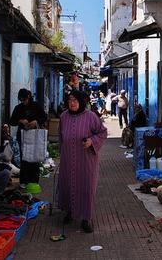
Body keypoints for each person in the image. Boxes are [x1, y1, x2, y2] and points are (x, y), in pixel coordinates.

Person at [58, 90, 108, 233]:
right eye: (69, 100)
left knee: (86, 187)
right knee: (67, 185)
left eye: (75, 100)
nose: (72, 103)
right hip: (68, 159)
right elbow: (61, 138)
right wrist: (62, 155)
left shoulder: (91, 116)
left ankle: (86, 219)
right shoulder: (63, 117)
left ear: (81, 101)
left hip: (86, 161)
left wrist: (91, 141)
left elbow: (102, 132)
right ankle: (69, 212)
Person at [9, 88, 47, 187]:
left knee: (35, 158)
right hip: (23, 137)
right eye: (21, 100)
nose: (23, 102)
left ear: (28, 97)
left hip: (35, 136)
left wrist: (36, 122)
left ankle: (34, 181)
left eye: (24, 100)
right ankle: (24, 181)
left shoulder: (36, 106)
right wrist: (20, 121)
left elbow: (44, 117)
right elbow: (11, 121)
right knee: (24, 158)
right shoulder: (18, 108)